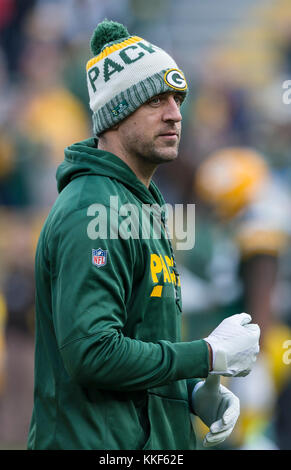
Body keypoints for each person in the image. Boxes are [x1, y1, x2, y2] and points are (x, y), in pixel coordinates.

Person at [27, 20, 260, 450]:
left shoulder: (139, 204)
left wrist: (186, 392)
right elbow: (93, 351)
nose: (175, 113)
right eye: (156, 100)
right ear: (116, 112)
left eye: (177, 99)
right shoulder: (92, 208)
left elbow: (139, 341)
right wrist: (206, 355)